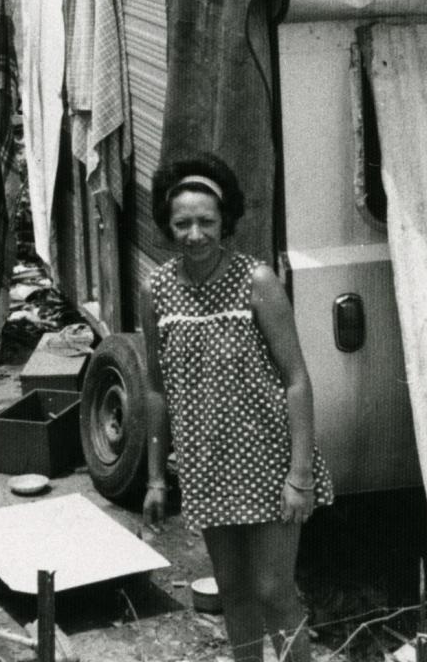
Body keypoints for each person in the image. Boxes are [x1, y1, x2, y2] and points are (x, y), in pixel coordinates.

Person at [141, 152, 335, 662]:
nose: (195, 234)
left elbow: (296, 380)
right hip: (207, 465)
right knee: (233, 591)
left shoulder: (257, 281)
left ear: (224, 221)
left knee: (274, 589)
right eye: (182, 223)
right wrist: (156, 477)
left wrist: (300, 475)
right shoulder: (156, 290)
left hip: (269, 461)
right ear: (167, 226)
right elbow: (156, 389)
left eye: (206, 221)